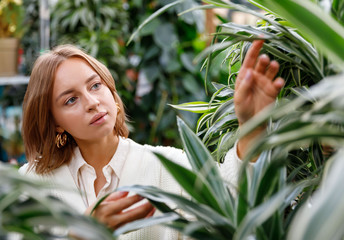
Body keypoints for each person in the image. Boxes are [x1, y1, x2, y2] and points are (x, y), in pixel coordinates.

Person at [19, 39, 284, 239]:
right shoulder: (31, 184)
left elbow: (232, 204)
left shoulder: (168, 167)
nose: (91, 102)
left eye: (95, 85)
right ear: (55, 123)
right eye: (71, 99)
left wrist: (251, 126)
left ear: (112, 92)